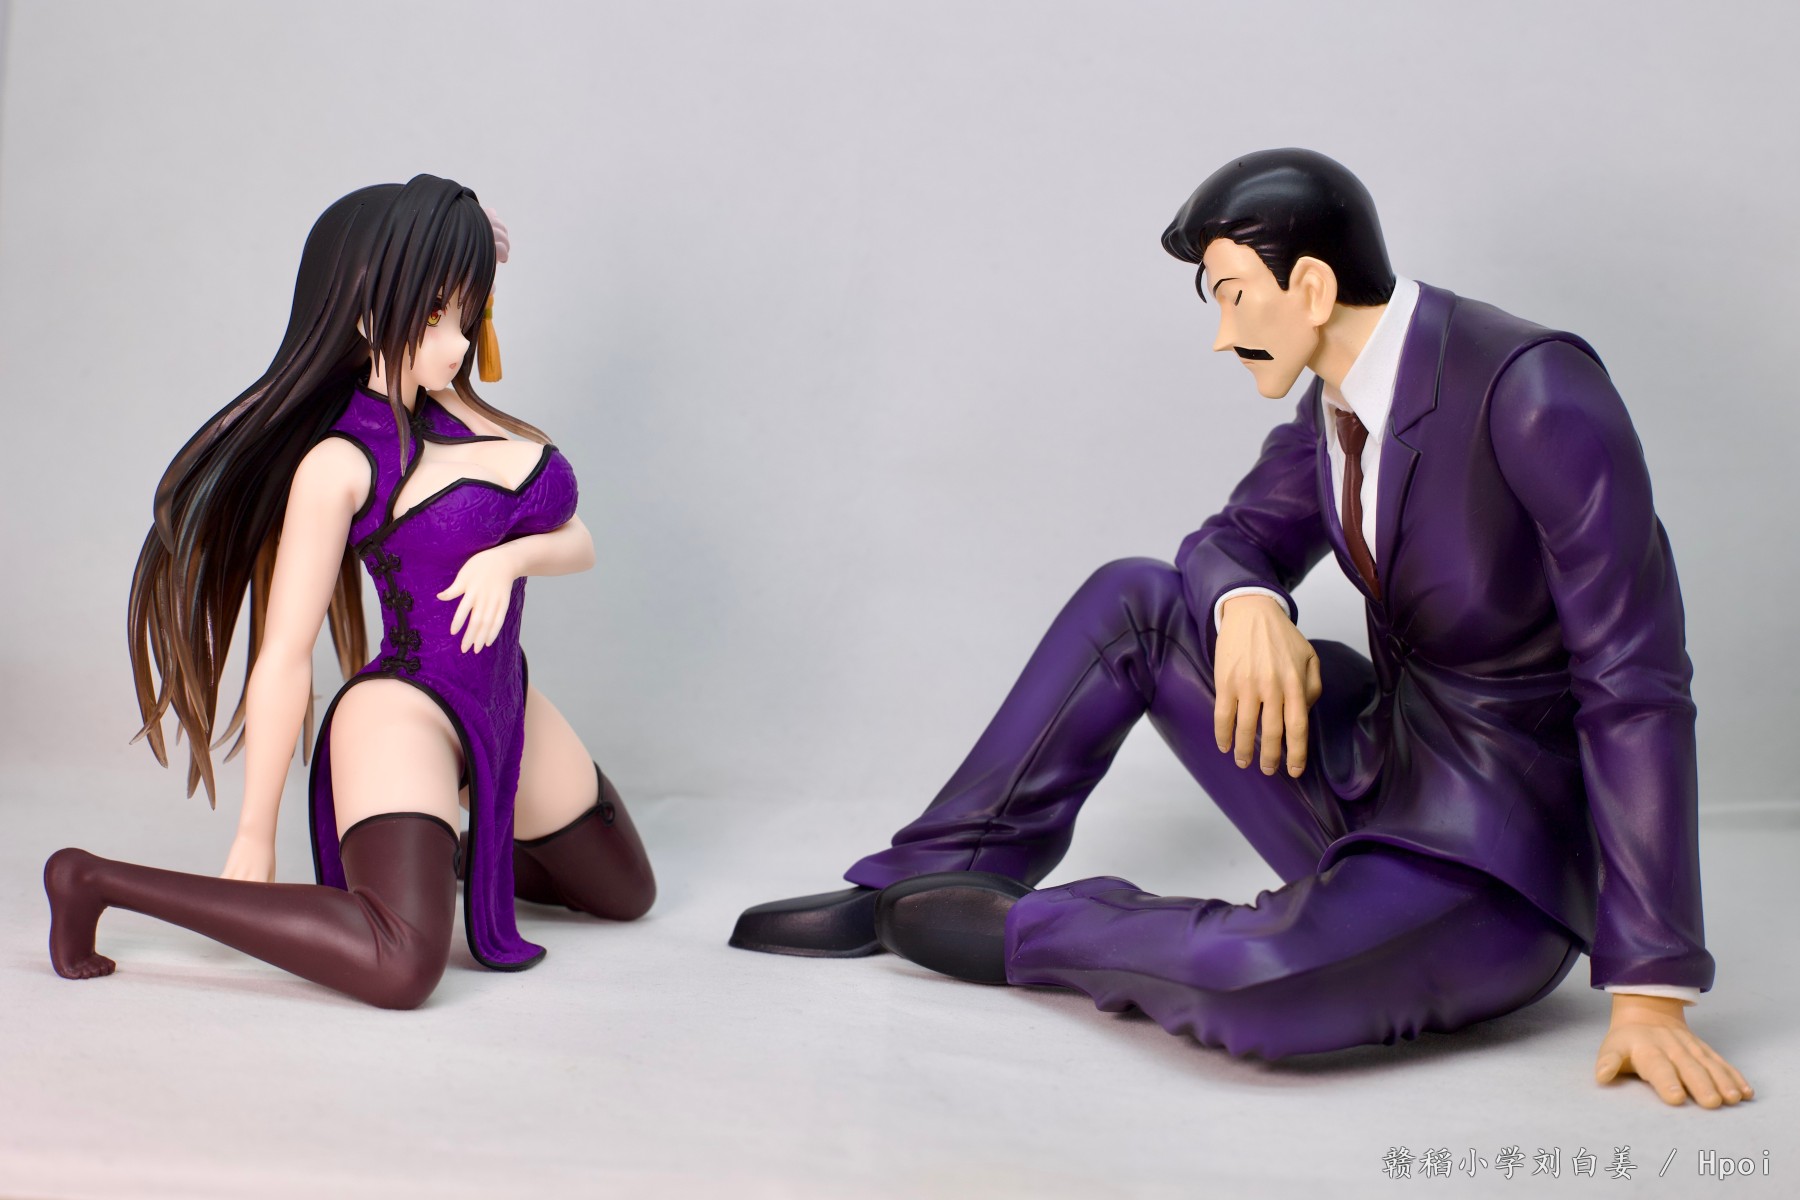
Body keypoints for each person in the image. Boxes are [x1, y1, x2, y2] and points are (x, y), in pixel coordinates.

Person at [731, 149, 1751, 1107]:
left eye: (1230, 296)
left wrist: (1651, 986)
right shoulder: (1336, 403)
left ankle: (1025, 929)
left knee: (1257, 984)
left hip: (1495, 861)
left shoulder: (1534, 392)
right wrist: (1248, 600)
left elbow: (1636, 680)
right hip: (1375, 776)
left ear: (1310, 286)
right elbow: (1229, 540)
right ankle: (928, 880)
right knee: (1135, 601)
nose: (1222, 335)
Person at [45, 175, 654, 1008]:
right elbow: (284, 654)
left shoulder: (474, 417)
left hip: (503, 696)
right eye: (432, 315)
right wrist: (255, 832)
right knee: (401, 966)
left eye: (468, 314)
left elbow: (576, 541)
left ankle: (445, 848)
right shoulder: (341, 463)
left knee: (625, 893)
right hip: (403, 711)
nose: (456, 343)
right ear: (368, 315)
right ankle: (93, 881)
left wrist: (509, 562)